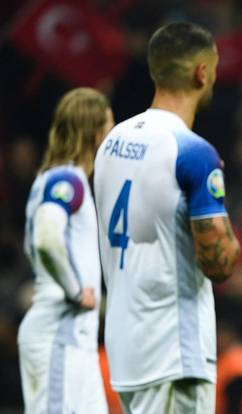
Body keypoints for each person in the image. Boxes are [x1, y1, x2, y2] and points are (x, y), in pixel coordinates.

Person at [94, 21, 240, 413]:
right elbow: (220, 263)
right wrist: (222, 214)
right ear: (202, 72)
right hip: (172, 350)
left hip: (125, 346)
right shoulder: (194, 153)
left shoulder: (112, 141)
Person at [18, 87, 114, 413]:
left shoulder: (52, 179)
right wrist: (75, 290)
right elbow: (46, 238)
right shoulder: (67, 180)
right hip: (58, 333)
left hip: (75, 339)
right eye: (109, 125)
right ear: (95, 132)